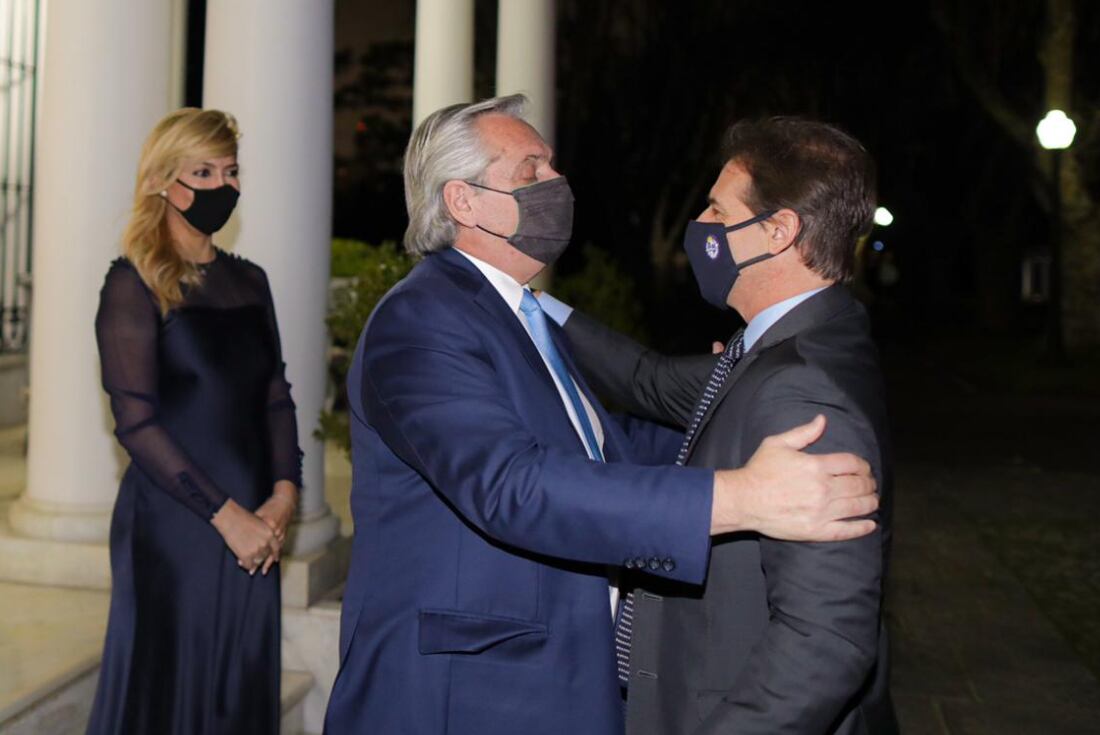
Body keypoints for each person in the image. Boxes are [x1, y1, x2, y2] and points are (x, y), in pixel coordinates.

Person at [323, 96, 879, 735]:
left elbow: (600, 449)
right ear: (463, 202)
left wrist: (735, 421)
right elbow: (512, 485)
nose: (556, 183)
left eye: (553, 167)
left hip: (548, 680)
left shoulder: (517, 313)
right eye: (530, 171)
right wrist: (735, 496)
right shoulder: (422, 321)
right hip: (466, 693)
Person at [544, 117, 898, 734]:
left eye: (716, 208)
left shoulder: (802, 385)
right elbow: (647, 380)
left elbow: (827, 640)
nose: (702, 228)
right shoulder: (787, 342)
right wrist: (527, 304)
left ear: (778, 231)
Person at [87, 108, 300, 735]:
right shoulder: (134, 284)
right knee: (173, 695)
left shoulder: (251, 280)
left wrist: (283, 495)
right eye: (201, 171)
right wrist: (226, 516)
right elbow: (136, 422)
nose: (221, 186)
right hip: (177, 525)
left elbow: (274, 394)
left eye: (230, 171)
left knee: (238, 689)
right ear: (161, 181)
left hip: (259, 526)